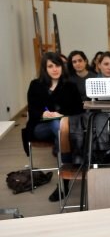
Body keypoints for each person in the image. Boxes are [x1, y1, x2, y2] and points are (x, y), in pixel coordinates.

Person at [26, 52, 84, 201]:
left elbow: (78, 109)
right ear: (45, 69)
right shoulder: (36, 85)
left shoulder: (70, 85)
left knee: (59, 126)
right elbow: (32, 109)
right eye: (50, 66)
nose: (54, 69)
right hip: (40, 128)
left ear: (62, 66)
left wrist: (60, 114)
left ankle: (63, 183)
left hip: (64, 126)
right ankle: (73, 163)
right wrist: (43, 114)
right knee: (56, 125)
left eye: (57, 65)